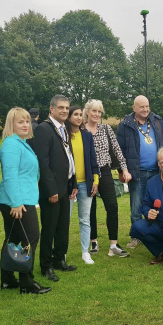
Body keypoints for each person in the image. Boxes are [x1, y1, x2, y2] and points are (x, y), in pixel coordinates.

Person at [0, 107, 51, 295]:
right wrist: (16, 203)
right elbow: (10, 176)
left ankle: (7, 279)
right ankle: (27, 283)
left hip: (19, 198)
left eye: (27, 121)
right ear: (12, 124)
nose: (26, 125)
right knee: (30, 238)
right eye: (21, 122)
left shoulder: (21, 142)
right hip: (17, 200)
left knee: (14, 239)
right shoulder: (11, 145)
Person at [29, 95, 78, 282]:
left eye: (67, 108)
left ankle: (59, 260)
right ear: (51, 109)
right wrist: (51, 190)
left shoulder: (63, 128)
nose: (65, 111)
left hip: (65, 186)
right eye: (61, 108)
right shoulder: (43, 129)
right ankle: (46, 265)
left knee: (63, 226)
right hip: (52, 190)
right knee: (49, 228)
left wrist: (73, 182)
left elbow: (68, 157)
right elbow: (43, 162)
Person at [117, 95, 163, 249]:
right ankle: (136, 236)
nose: (145, 109)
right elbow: (120, 150)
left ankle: (157, 231)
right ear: (134, 108)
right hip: (137, 172)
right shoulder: (125, 125)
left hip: (157, 172)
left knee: (158, 203)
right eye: (141, 107)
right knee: (137, 205)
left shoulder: (157, 121)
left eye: (147, 106)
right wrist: (121, 170)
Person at [84, 99, 131, 257]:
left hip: (104, 172)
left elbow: (117, 150)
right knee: (90, 209)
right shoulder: (80, 130)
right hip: (87, 174)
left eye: (99, 112)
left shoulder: (106, 129)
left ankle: (113, 245)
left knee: (112, 206)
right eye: (94, 111)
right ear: (87, 112)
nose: (97, 114)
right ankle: (93, 241)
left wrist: (124, 169)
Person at [66, 106, 100, 264]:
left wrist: (96, 180)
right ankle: (62, 252)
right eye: (75, 114)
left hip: (85, 183)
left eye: (80, 114)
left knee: (85, 219)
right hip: (68, 185)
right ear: (69, 117)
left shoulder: (86, 135)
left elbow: (93, 159)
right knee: (65, 219)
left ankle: (85, 252)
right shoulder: (63, 135)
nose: (79, 117)